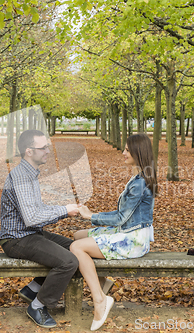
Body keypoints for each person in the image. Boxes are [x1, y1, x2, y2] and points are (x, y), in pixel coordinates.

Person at [70, 133, 158, 331]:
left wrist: (90, 215)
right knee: (78, 236)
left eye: (127, 149)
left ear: (138, 152)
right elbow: (121, 215)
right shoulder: (138, 178)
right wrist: (91, 215)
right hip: (127, 231)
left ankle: (100, 300)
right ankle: (101, 281)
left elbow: (120, 218)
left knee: (76, 247)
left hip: (133, 239)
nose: (123, 152)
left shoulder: (140, 183)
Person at [0, 129, 80, 328]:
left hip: (30, 233)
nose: (47, 151)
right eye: (42, 147)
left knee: (76, 247)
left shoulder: (30, 173)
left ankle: (33, 288)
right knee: (69, 261)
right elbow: (32, 218)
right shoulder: (21, 177)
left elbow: (37, 210)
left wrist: (66, 208)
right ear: (28, 151)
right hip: (16, 239)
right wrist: (64, 210)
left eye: (47, 147)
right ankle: (38, 305)